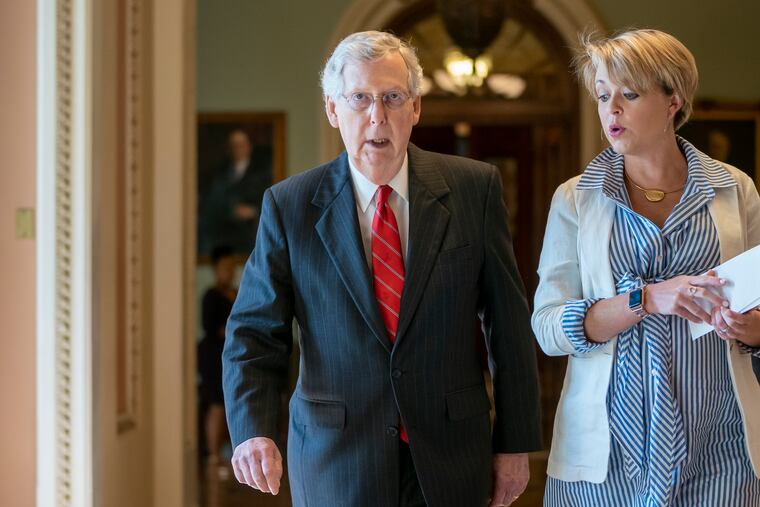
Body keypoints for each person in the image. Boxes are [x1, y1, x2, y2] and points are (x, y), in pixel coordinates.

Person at [222, 31, 541, 507]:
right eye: (360, 99)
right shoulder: (290, 206)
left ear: (415, 108)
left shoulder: (475, 189)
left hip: (452, 452)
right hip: (336, 457)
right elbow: (253, 331)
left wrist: (515, 443)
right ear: (333, 110)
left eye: (393, 97)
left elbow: (507, 323)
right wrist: (252, 430)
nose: (378, 116)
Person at [532, 29, 760, 506]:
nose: (610, 110)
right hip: (604, 460)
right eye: (602, 95)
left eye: (629, 95)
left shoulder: (736, 190)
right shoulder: (576, 199)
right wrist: (645, 299)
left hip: (721, 452)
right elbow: (548, 328)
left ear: (673, 99)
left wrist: (748, 327)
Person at [199, 129, 272, 255]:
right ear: (229, 149)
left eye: (241, 145)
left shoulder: (262, 173)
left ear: (249, 147)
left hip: (251, 230)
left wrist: (253, 211)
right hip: (226, 230)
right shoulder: (220, 173)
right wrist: (230, 209)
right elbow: (212, 202)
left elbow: (271, 200)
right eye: (234, 146)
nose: (238, 149)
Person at [198, 245, 237, 465]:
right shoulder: (210, 296)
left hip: (231, 356)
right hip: (213, 357)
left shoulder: (237, 292)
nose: (229, 272)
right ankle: (213, 456)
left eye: (232, 267)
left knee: (230, 405)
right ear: (215, 269)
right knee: (216, 404)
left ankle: (226, 455)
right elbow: (210, 327)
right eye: (225, 267)